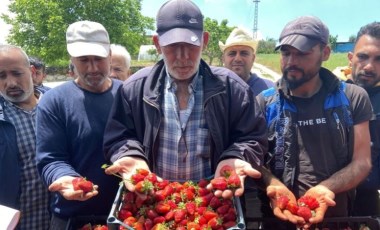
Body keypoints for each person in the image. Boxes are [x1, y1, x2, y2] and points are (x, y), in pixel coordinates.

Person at [103, 0, 268, 200]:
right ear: (157, 44)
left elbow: (252, 137)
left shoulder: (232, 88)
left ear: (204, 41)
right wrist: (131, 156)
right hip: (154, 200)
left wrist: (235, 157)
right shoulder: (134, 88)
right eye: (172, 46)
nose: (182, 57)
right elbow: (119, 136)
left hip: (214, 200)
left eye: (191, 45)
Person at [255, 16, 373, 229]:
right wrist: (272, 183)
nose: (291, 61)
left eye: (302, 53)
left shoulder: (352, 98)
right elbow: (254, 159)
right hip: (277, 220)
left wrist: (326, 188)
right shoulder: (265, 102)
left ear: (325, 53)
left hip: (336, 220)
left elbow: (362, 162)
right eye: (285, 53)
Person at [35, 20, 122, 229]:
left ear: (110, 55)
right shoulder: (54, 101)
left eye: (99, 59)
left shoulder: (128, 94)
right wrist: (66, 178)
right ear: (71, 59)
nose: (92, 68)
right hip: (71, 218)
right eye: (83, 60)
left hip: (123, 215)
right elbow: (51, 158)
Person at [0, 45, 50, 229]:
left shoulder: (57, 104)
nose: (10, 83)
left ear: (31, 71)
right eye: (1, 76)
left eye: (16, 73)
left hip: (62, 220)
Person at [349, 21, 380, 216]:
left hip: (367, 203)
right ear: (350, 58)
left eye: (378, 59)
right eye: (363, 56)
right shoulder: (329, 95)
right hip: (325, 197)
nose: (369, 66)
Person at [219, 27, 274, 96]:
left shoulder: (269, 90)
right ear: (223, 59)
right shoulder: (213, 89)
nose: (237, 59)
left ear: (253, 58)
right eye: (232, 53)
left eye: (244, 53)